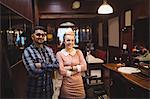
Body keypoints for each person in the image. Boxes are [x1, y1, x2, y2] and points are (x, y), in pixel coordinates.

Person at [22, 26, 59, 98]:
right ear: (32, 37)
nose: (41, 37)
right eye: (38, 34)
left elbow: (57, 65)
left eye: (43, 35)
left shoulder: (49, 50)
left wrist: (41, 65)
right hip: (35, 91)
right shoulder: (27, 51)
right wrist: (50, 66)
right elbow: (33, 71)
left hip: (48, 90)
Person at [56, 29, 87, 99]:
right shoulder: (59, 54)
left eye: (72, 40)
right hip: (67, 87)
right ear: (64, 41)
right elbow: (62, 71)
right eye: (68, 40)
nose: (70, 42)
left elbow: (84, 67)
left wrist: (70, 68)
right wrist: (78, 69)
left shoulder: (79, 52)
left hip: (79, 85)